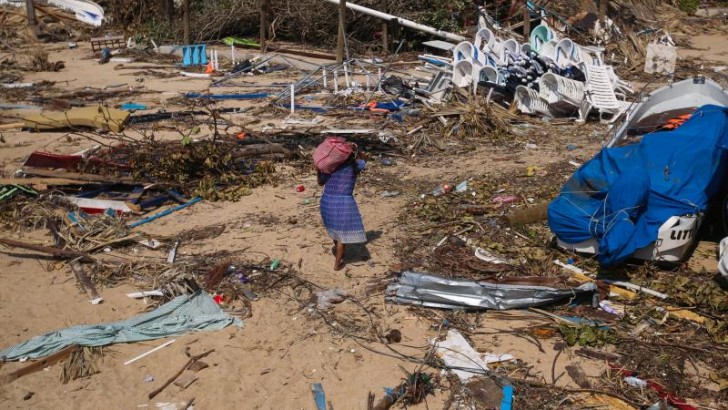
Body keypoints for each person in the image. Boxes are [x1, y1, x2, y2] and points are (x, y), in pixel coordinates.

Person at [318, 146, 367, 271]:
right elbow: (364, 159)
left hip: (327, 200)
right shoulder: (354, 167)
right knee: (343, 236)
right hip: (344, 202)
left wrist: (318, 170)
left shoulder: (329, 168)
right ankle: (337, 264)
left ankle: (339, 256)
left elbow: (320, 183)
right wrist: (358, 150)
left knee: (335, 230)